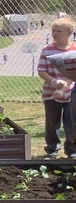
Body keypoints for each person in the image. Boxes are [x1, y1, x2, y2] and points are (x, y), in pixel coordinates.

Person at [36, 17, 76, 159]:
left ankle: (72, 149)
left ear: (69, 33)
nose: (55, 33)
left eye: (59, 31)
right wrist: (53, 82)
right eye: (53, 30)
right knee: (52, 121)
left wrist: (65, 86)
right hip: (51, 92)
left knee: (72, 121)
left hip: (71, 92)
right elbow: (41, 70)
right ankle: (52, 147)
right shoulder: (47, 50)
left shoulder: (74, 50)